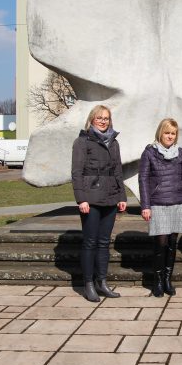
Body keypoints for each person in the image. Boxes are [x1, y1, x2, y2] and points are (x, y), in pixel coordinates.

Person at [71, 104, 128, 302]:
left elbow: (118, 171)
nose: (103, 121)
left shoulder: (114, 142)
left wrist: (122, 197)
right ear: (92, 119)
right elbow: (76, 172)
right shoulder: (82, 141)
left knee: (104, 243)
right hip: (90, 198)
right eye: (99, 117)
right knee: (90, 242)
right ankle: (88, 284)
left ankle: (101, 282)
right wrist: (81, 199)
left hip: (110, 197)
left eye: (106, 118)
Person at [138, 118, 182, 297]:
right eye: (167, 132)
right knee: (161, 242)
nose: (170, 136)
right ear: (160, 133)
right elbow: (143, 179)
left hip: (178, 201)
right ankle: (158, 280)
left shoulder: (181, 153)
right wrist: (145, 205)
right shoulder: (149, 153)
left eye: (173, 133)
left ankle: (168, 280)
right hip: (158, 203)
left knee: (172, 243)